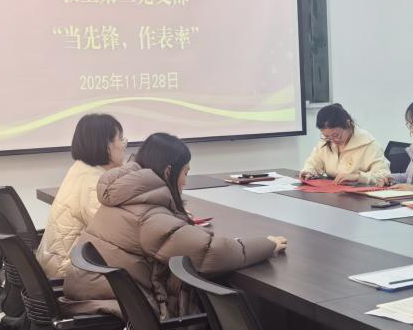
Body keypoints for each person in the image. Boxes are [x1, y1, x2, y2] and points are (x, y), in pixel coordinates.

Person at [65, 133, 287, 318]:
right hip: (117, 316)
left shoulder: (123, 195)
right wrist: (267, 245)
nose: (186, 181)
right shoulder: (148, 215)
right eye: (185, 172)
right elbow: (210, 253)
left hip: (94, 302)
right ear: (169, 172)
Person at [36, 113, 127, 278]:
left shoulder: (81, 169)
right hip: (67, 271)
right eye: (120, 139)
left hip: (56, 261)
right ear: (106, 145)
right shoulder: (93, 183)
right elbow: (115, 234)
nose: (124, 145)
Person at [299, 104, 391, 186]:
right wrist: (308, 172)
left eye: (336, 135)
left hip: (359, 195)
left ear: (348, 124)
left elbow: (384, 175)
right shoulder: (327, 142)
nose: (333, 140)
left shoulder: (368, 144)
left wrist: (357, 177)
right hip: (334, 193)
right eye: (327, 136)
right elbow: (313, 163)